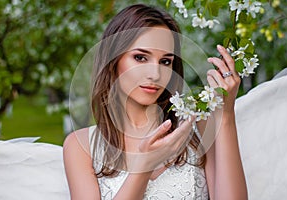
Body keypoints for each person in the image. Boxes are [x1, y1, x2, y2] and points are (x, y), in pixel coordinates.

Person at [63, 4, 247, 200]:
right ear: (113, 59)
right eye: (140, 57)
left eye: (165, 61)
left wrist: (226, 115)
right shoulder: (81, 146)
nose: (155, 74)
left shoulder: (198, 127)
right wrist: (145, 165)